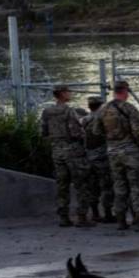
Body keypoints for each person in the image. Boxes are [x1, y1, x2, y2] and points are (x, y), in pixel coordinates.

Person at [92, 80, 139, 231]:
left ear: (114, 91)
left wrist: (112, 138)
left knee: (119, 185)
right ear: (125, 91)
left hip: (113, 153)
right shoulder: (129, 109)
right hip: (131, 153)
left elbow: (96, 131)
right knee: (137, 185)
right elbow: (138, 132)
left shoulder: (103, 109)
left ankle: (121, 219)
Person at [40, 85, 94, 228]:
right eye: (68, 91)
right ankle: (81, 217)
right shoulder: (69, 111)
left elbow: (44, 132)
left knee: (62, 184)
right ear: (62, 94)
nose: (70, 93)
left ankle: (63, 217)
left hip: (57, 151)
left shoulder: (47, 111)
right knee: (81, 184)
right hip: (73, 151)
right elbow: (77, 132)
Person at [81, 96, 115, 223]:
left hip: (88, 157)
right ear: (101, 106)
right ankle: (108, 213)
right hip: (102, 157)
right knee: (107, 186)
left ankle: (95, 213)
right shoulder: (103, 119)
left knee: (92, 186)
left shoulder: (84, 120)